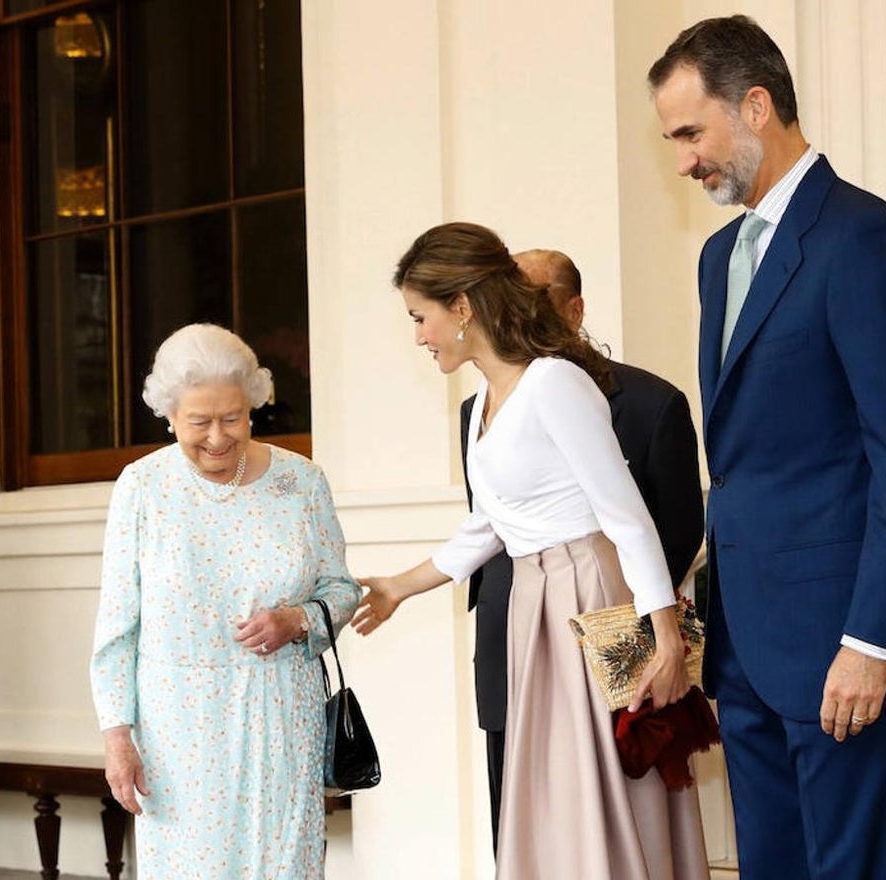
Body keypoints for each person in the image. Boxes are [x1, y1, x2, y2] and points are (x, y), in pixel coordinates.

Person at [648, 15, 886, 880]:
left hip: (844, 651)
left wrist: (876, 641)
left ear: (755, 106)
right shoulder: (719, 257)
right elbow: (748, 459)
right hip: (747, 651)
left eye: (689, 133)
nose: (682, 161)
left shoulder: (863, 237)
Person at [354, 222, 710, 879]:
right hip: (535, 602)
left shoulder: (554, 383)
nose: (419, 336)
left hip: (596, 594)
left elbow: (626, 516)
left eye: (420, 317)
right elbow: (489, 527)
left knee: (619, 780)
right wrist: (399, 585)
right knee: (557, 792)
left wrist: (666, 641)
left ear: (462, 307)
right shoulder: (483, 402)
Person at [90, 323, 361, 880]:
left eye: (232, 418)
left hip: (283, 718)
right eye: (199, 422)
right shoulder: (142, 487)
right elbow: (118, 627)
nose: (217, 437)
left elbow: (341, 590)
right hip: (179, 731)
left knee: (283, 865)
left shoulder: (302, 482)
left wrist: (298, 619)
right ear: (169, 416)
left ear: (254, 406)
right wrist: (118, 737)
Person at [459, 247, 704, 850]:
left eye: (537, 301)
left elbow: (672, 530)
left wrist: (646, 632)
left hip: (612, 635)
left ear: (575, 310)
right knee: (522, 824)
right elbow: (489, 522)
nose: (520, 315)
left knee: (626, 820)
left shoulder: (653, 404)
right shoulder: (476, 407)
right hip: (511, 634)